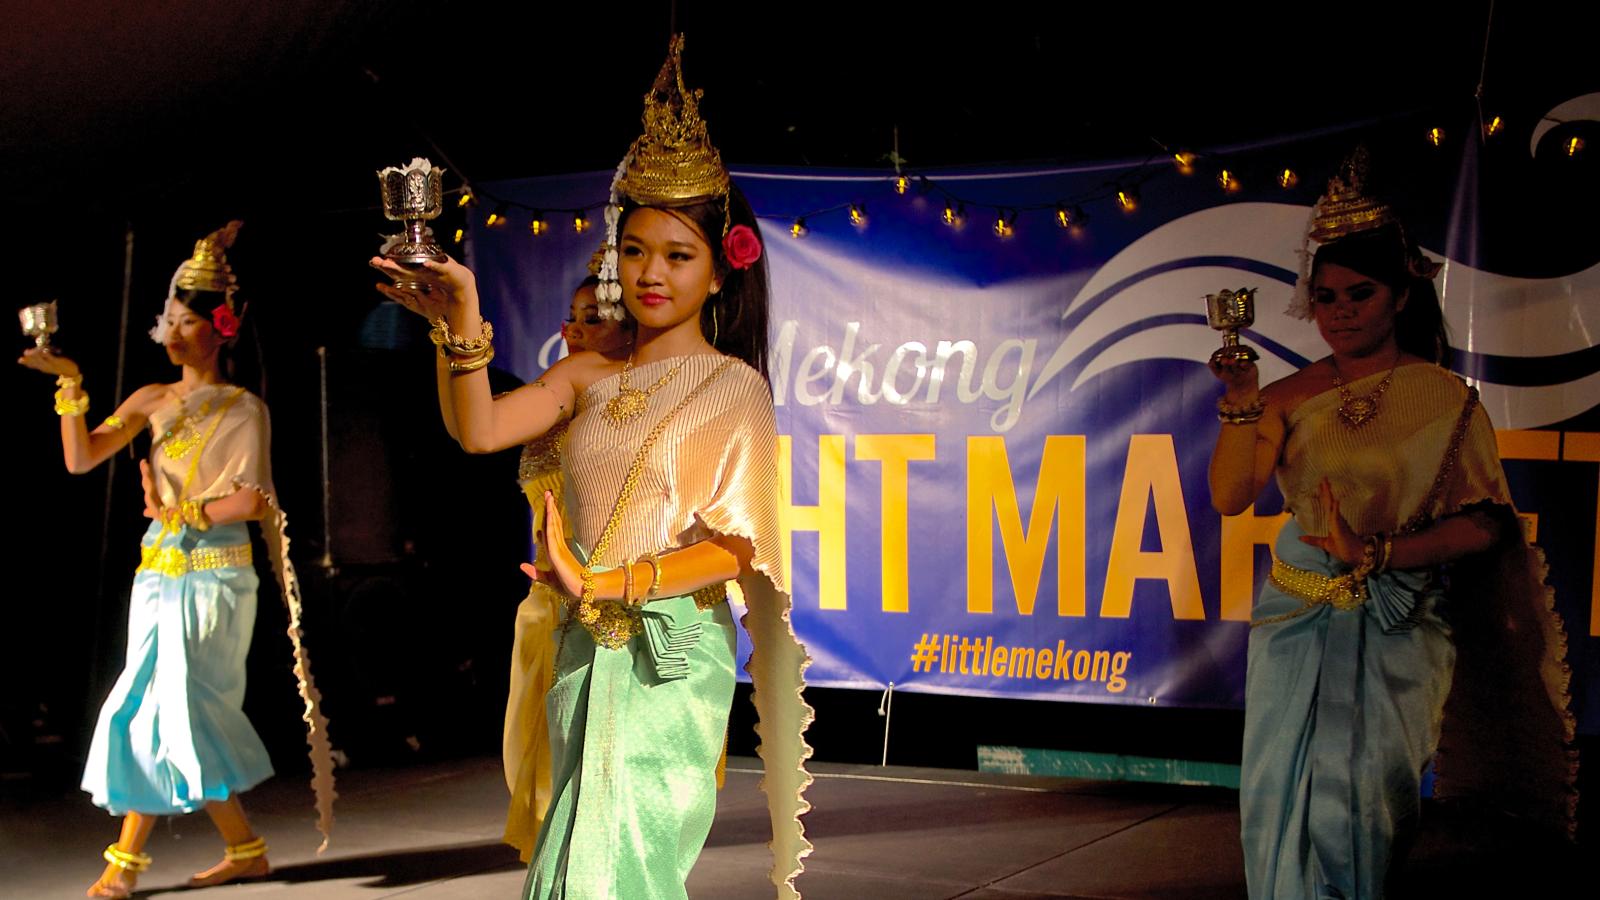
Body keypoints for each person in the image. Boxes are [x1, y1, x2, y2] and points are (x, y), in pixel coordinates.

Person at [371, 35, 812, 900]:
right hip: (581, 647)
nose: (651, 273)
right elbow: (479, 429)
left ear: (722, 271)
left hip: (671, 652)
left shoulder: (734, 388)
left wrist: (607, 580)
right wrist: (457, 318)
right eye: (637, 251)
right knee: (574, 862)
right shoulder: (586, 376)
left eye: (679, 256)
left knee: (618, 867)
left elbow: (735, 551)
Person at [1208, 155, 1576, 898]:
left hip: (1398, 621)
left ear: (1401, 295)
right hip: (1295, 616)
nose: (1340, 312)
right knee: (1279, 796)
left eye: (1360, 295)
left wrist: (1377, 551)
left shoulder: (1443, 399)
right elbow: (1232, 495)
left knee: (1366, 806)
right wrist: (1244, 400)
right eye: (1327, 297)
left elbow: (1487, 527)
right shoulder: (1286, 393)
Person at [19, 222, 335, 899]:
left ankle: (124, 864)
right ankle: (244, 848)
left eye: (187, 319)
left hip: (217, 578)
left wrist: (183, 512)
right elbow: (81, 459)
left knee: (178, 710)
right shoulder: (150, 400)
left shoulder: (243, 408)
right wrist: (71, 384)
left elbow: (252, 497)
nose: (173, 328)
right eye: (171, 317)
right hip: (157, 576)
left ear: (220, 328)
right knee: (152, 709)